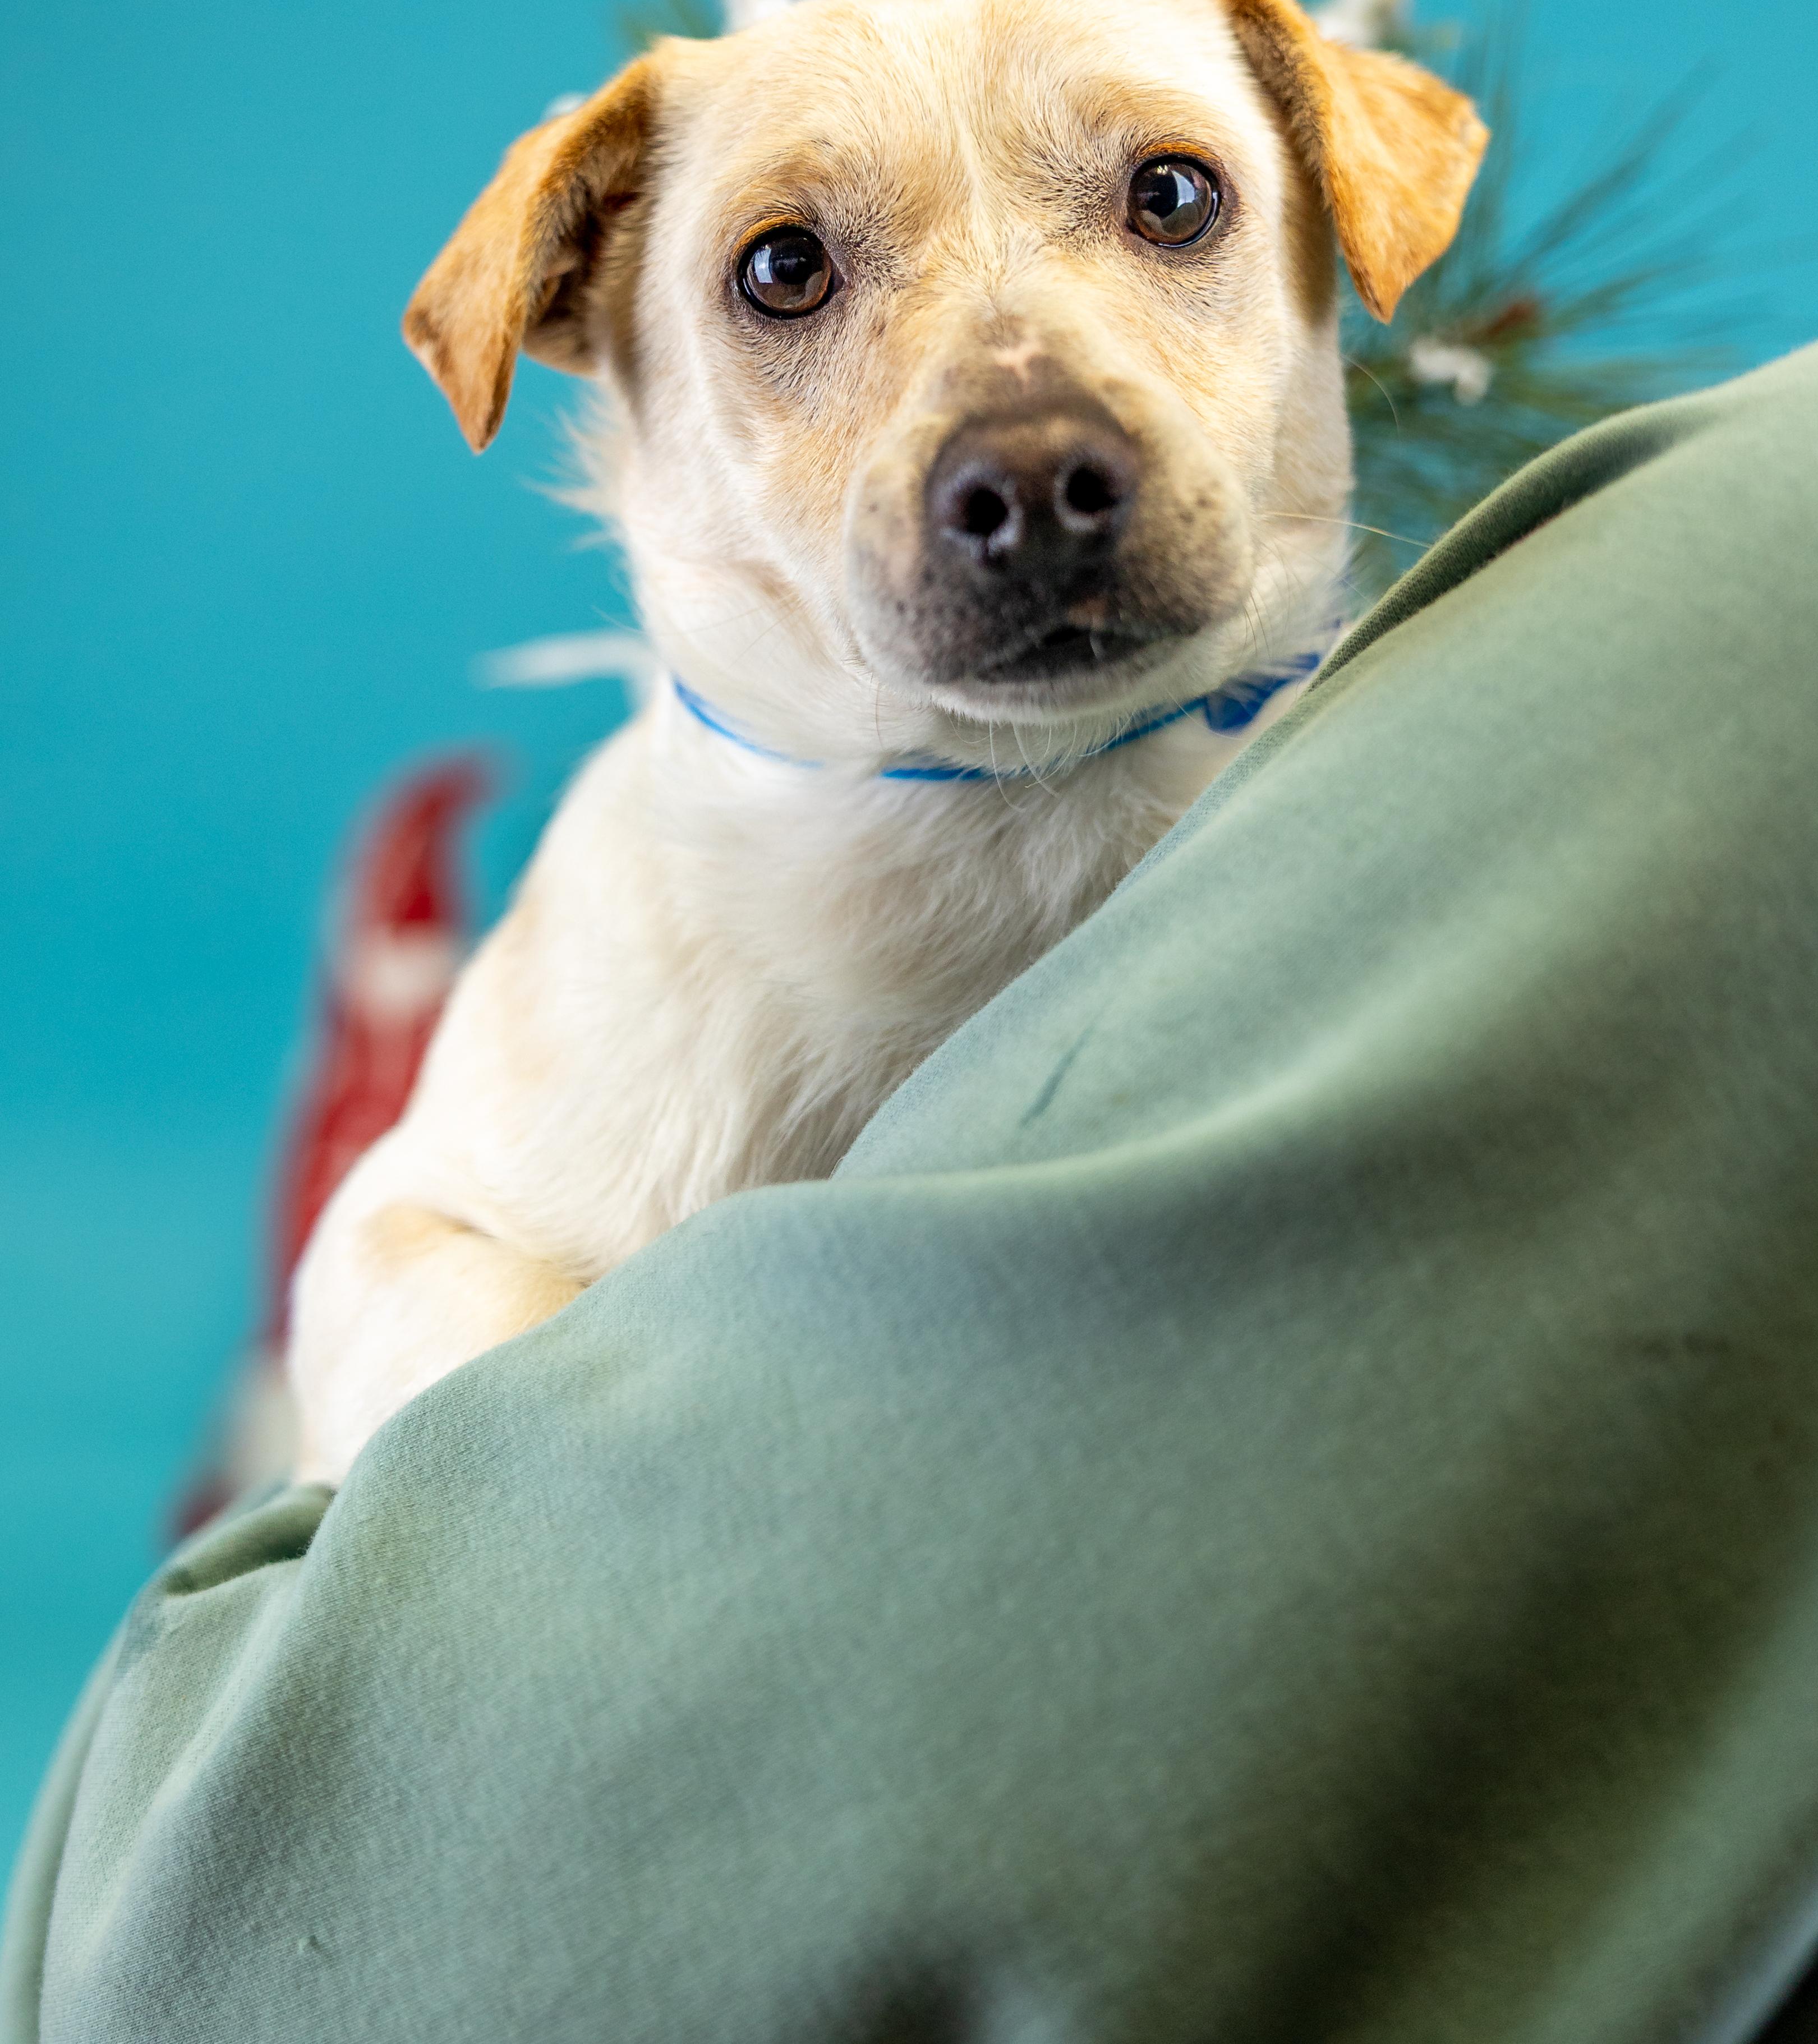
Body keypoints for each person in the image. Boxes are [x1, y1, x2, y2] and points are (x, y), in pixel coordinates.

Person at [7, 350, 1818, 2044]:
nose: (1028, 452)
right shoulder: (578, 1065)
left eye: (1166, 201)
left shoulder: (1455, 835)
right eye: (790, 272)